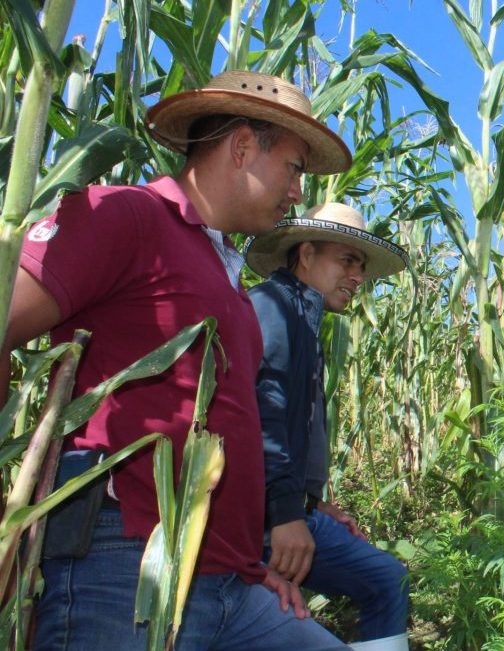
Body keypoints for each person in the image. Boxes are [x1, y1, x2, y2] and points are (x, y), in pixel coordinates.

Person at [10, 70, 354, 649]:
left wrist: (246, 563)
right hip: (123, 568)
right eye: (295, 168)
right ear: (242, 146)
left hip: (226, 582)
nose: (299, 191)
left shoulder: (230, 278)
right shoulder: (124, 217)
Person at [246, 203, 411, 651]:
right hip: (257, 524)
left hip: (291, 508)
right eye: (346, 261)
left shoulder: (304, 320)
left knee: (387, 578)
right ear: (305, 254)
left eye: (361, 266)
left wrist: (314, 503)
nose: (358, 277)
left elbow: (294, 429)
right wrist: (286, 514)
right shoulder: (271, 308)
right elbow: (263, 417)